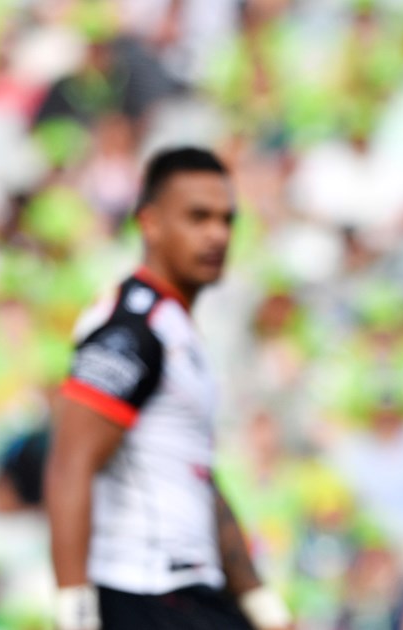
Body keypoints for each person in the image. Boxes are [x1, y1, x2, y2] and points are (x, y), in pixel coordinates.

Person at [45, 148, 290, 630]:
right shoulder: (133, 326)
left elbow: (197, 476)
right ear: (150, 223)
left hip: (189, 592)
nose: (217, 234)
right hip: (144, 591)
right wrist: (74, 606)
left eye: (226, 219)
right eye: (197, 218)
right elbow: (71, 461)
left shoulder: (177, 329)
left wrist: (257, 596)